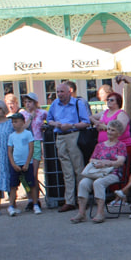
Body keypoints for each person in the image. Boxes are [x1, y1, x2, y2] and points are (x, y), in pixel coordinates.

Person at [70, 119, 129, 224]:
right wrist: (99, 163)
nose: (110, 132)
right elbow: (91, 159)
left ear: (119, 133)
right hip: (97, 171)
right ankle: (81, 213)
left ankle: (100, 212)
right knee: (83, 183)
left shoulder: (121, 145)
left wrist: (106, 163)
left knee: (98, 183)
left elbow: (120, 162)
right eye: (109, 129)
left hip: (113, 173)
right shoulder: (100, 145)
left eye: (113, 130)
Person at [47, 82, 92, 212]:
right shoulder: (55, 104)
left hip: (74, 135)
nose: (60, 94)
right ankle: (69, 201)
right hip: (60, 136)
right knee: (66, 171)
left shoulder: (78, 103)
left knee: (79, 169)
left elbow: (86, 122)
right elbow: (49, 119)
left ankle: (82, 199)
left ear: (69, 92)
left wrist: (71, 126)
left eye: (62, 91)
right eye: (58, 92)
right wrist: (55, 123)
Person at [19, 92, 48, 212]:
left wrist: (45, 126)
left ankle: (36, 200)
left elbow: (49, 121)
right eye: (26, 102)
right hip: (24, 144)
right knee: (24, 174)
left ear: (35, 103)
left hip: (36, 142)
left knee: (33, 173)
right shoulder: (23, 114)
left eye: (30, 102)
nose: (27, 104)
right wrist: (30, 118)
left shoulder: (42, 113)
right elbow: (22, 128)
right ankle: (30, 198)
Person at [6, 113, 38, 216]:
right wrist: (13, 164)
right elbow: (10, 151)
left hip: (27, 164)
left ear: (23, 122)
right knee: (13, 186)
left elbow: (31, 149)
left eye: (16, 121)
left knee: (31, 184)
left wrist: (27, 163)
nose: (14, 124)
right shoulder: (11, 136)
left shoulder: (28, 134)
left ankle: (35, 203)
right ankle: (11, 205)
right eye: (12, 122)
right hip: (16, 163)